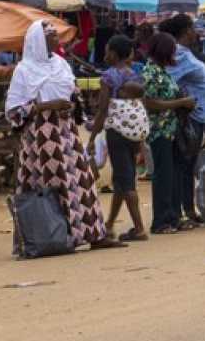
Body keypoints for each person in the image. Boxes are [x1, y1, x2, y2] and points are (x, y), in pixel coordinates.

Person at [8, 23, 123, 252]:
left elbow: (73, 93)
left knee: (81, 180)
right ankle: (54, 238)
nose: (56, 39)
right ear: (38, 41)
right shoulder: (24, 70)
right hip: (41, 136)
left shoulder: (60, 64)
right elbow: (14, 110)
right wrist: (47, 106)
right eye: (50, 36)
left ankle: (93, 234)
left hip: (66, 131)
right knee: (50, 184)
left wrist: (71, 106)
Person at [88, 34, 147, 242]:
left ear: (113, 53)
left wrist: (92, 137)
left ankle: (139, 229)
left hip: (117, 133)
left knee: (126, 182)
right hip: (133, 132)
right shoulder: (135, 74)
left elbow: (103, 110)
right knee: (122, 179)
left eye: (107, 51)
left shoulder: (108, 77)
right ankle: (109, 225)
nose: (105, 54)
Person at [158, 15, 205, 226]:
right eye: (192, 28)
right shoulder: (179, 54)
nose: (195, 32)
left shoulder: (185, 53)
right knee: (183, 165)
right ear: (185, 31)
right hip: (190, 118)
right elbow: (170, 80)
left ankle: (188, 209)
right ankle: (182, 210)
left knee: (188, 164)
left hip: (198, 116)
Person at [140, 31, 194, 234]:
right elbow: (150, 103)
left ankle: (174, 216)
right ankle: (161, 220)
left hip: (172, 129)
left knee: (174, 174)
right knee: (163, 175)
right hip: (160, 130)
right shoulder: (150, 72)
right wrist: (180, 102)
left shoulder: (163, 71)